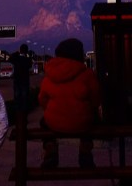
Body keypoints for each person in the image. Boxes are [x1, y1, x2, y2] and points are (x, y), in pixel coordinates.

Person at [37, 38, 101, 169]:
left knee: (43, 122)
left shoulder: (50, 74)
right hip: (82, 123)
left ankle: (50, 150)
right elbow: (96, 99)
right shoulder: (87, 74)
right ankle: (85, 151)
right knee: (95, 120)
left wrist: (52, 111)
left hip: (54, 123)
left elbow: (42, 99)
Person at [10, 44, 33, 113]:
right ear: (26, 51)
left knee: (17, 98)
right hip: (25, 81)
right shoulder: (28, 60)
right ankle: (24, 114)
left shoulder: (16, 59)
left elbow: (10, 58)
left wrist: (17, 52)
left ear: (20, 50)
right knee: (24, 98)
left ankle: (17, 113)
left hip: (17, 81)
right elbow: (30, 65)